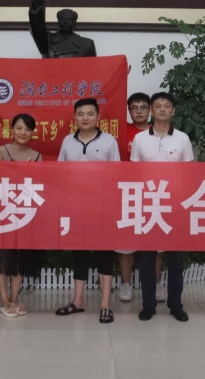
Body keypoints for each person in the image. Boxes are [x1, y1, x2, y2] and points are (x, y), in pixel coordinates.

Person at [56, 98, 121, 324]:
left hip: (102, 206)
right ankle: (78, 301)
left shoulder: (109, 141)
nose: (85, 118)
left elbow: (116, 175)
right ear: (75, 117)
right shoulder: (67, 141)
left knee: (105, 254)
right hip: (76, 206)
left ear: (98, 117)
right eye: (81, 114)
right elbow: (59, 173)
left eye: (90, 114)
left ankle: (105, 304)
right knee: (79, 253)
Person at [130, 92, 193, 322]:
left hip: (174, 204)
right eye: (158, 106)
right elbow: (134, 173)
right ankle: (148, 305)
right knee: (146, 258)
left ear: (173, 111)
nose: (163, 109)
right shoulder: (139, 139)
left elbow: (189, 173)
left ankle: (176, 304)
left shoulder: (182, 139)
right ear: (151, 111)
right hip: (148, 204)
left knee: (175, 259)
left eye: (167, 106)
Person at [0, 114, 42, 318]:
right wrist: (20, 171)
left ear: (32, 132)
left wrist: (30, 172)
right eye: (19, 128)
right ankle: (4, 299)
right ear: (11, 129)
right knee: (3, 256)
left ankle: (15, 298)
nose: (23, 132)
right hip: (3, 210)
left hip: (25, 211)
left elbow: (38, 185)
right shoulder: (1, 151)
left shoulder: (36, 155)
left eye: (27, 129)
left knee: (21, 256)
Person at [117, 92, 165, 303]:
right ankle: (125, 285)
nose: (138, 111)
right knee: (126, 242)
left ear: (150, 110)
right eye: (134, 108)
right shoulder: (121, 131)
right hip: (127, 192)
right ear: (129, 111)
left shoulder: (159, 132)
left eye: (143, 107)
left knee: (155, 243)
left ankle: (157, 284)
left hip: (154, 192)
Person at [28, 0, 96, 58]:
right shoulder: (48, 40)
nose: (66, 22)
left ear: (75, 23)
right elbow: (37, 29)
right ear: (58, 22)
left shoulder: (87, 44)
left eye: (70, 20)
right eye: (63, 19)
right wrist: (36, 8)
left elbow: (94, 65)